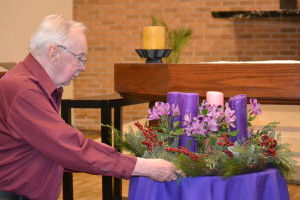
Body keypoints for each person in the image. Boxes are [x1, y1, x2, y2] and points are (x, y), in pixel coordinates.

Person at [0, 15, 185, 200]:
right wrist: (144, 167)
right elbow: (67, 147)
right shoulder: (23, 90)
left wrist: (102, 154)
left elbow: (53, 147)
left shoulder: (34, 86)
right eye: (79, 58)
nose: (83, 68)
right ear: (53, 53)